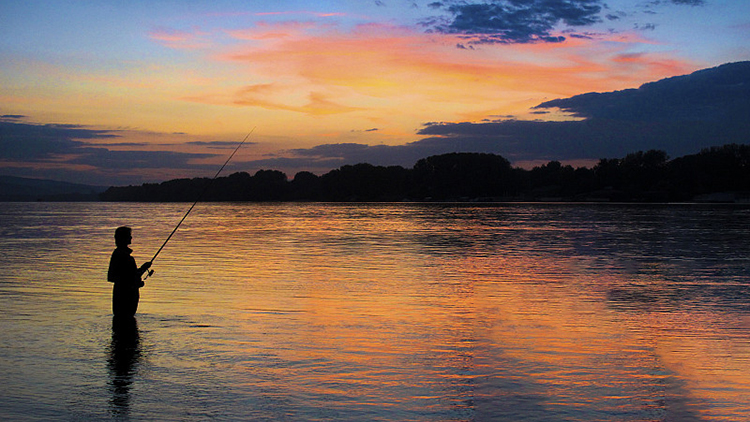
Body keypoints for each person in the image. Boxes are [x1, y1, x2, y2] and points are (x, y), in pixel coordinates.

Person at [108, 226, 152, 317]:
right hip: (125, 296)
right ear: (123, 238)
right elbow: (115, 277)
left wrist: (143, 268)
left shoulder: (119, 254)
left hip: (123, 295)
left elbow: (131, 275)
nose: (131, 238)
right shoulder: (123, 256)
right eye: (129, 236)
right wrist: (134, 282)